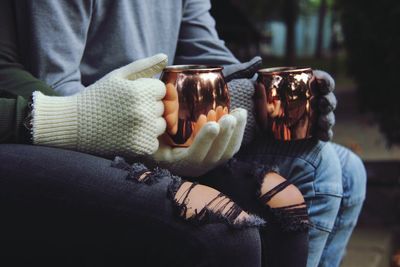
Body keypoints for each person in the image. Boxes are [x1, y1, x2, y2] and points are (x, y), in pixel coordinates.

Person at [0, 1, 366, 267]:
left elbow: (209, 56)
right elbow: (59, 89)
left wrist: (269, 93)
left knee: (350, 169)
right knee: (316, 165)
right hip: (109, 131)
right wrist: (237, 105)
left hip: (172, 124)